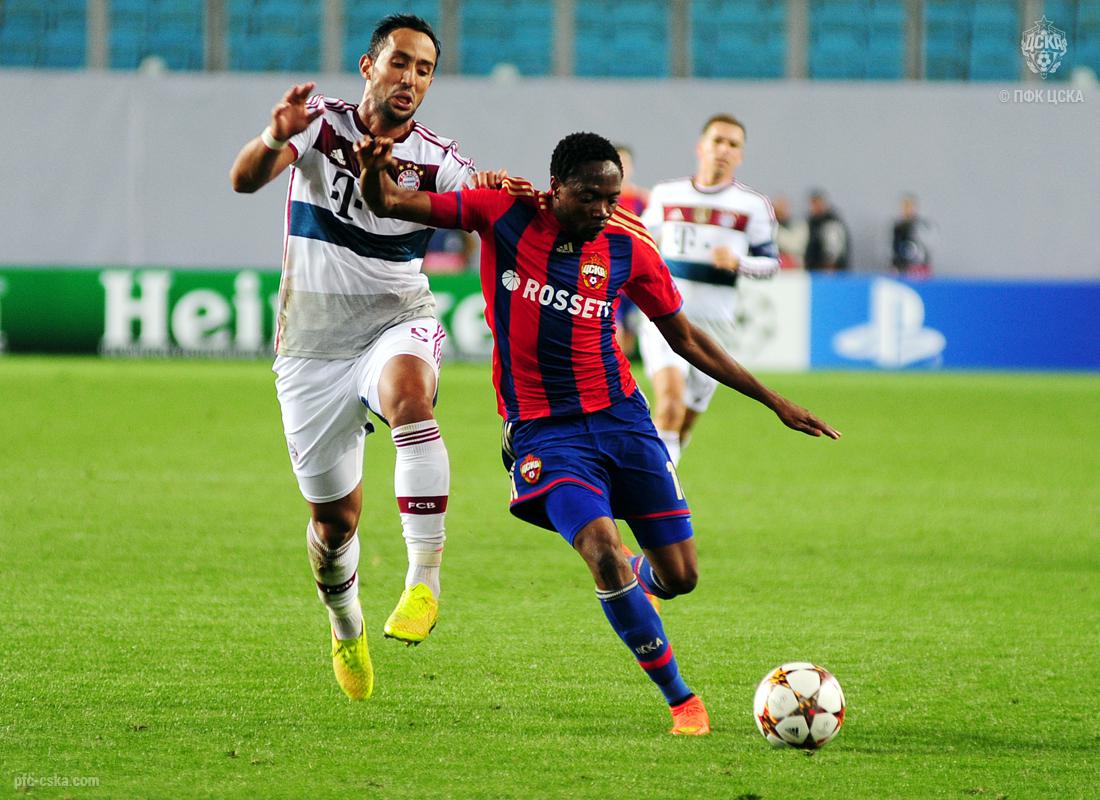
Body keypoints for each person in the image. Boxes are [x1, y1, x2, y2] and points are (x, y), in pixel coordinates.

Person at [355, 130, 840, 735]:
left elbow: (685, 338)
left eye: (612, 198)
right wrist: (373, 169)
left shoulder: (627, 245)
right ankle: (682, 701)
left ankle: (640, 578)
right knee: (602, 552)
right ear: (556, 188)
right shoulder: (503, 214)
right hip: (544, 435)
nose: (603, 210)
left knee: (681, 577)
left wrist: (774, 401)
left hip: (623, 422)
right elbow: (390, 202)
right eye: (590, 197)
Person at [229, 14, 477, 701]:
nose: (411, 78)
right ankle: (345, 624)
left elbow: (488, 216)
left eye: (424, 69)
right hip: (311, 347)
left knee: (411, 400)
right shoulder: (320, 126)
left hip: (397, 318)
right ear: (368, 66)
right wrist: (274, 136)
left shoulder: (440, 161)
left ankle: (424, 582)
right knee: (334, 523)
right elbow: (244, 180)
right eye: (400, 62)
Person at [636, 114, 780, 467]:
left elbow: (771, 264)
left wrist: (739, 262)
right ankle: (658, 493)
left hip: (716, 327)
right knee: (669, 406)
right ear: (701, 147)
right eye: (717, 141)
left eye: (733, 145)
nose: (724, 150)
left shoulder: (753, 205)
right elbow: (639, 243)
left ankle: (661, 476)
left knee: (683, 424)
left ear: (740, 156)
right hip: (667, 317)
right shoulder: (667, 195)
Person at [612, 144, 649, 359]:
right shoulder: (598, 199)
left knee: (629, 333)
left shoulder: (643, 200)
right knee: (612, 329)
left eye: (625, 162)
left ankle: (621, 370)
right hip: (609, 273)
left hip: (634, 275)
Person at [804, 189, 850, 272]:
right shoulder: (811, 222)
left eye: (816, 203)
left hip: (828, 271)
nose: (814, 207)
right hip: (814, 270)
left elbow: (833, 249)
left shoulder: (831, 222)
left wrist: (829, 266)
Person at [891, 193, 933, 277]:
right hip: (901, 266)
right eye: (905, 206)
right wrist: (895, 265)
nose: (907, 209)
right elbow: (895, 247)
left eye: (909, 206)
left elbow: (925, 248)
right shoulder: (898, 227)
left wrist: (923, 265)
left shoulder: (921, 226)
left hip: (918, 266)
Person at [772, 194, 808, 270]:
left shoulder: (798, 225)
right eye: (778, 207)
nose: (781, 210)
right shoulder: (768, 226)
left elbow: (797, 246)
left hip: (794, 267)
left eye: (783, 207)